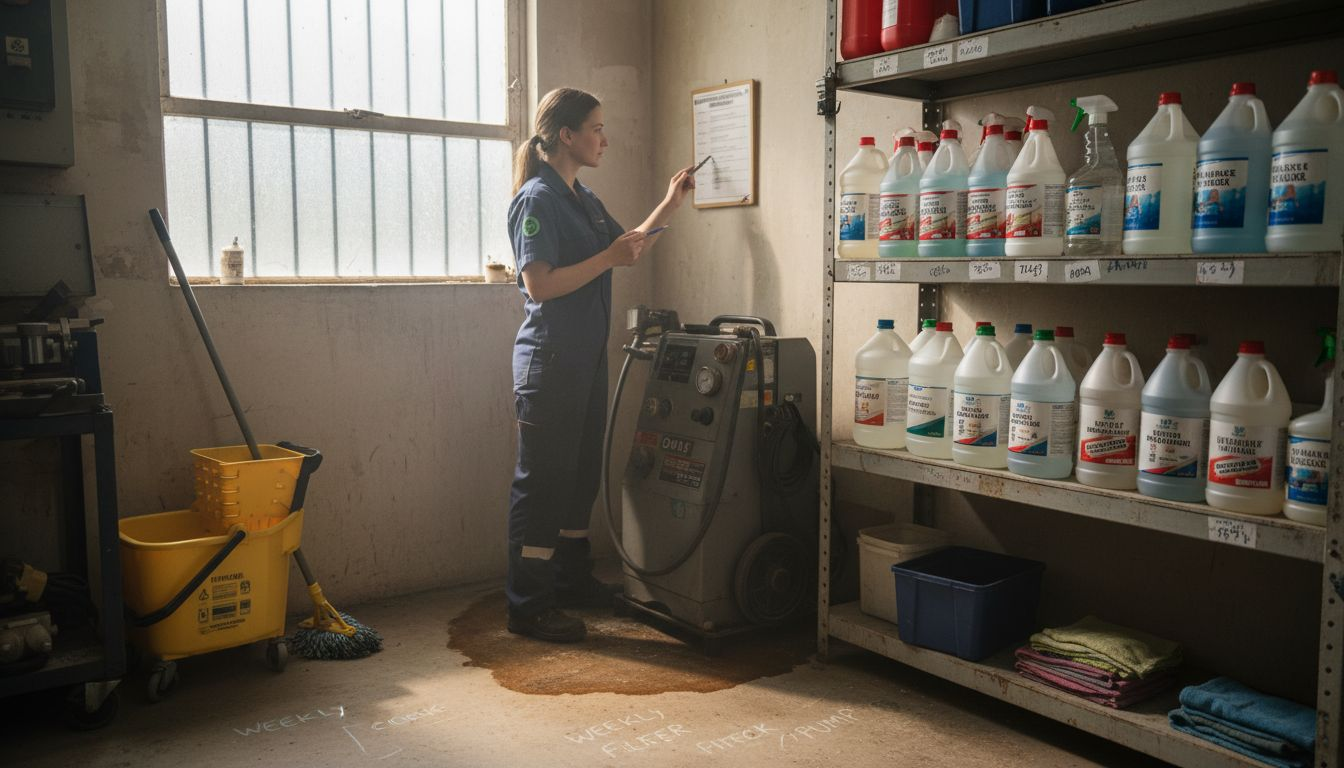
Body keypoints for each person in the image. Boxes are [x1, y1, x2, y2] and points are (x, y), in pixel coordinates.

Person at [506, 87, 695, 643]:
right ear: (566, 135)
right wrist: (609, 258)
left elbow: (628, 247)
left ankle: (568, 579)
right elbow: (538, 285)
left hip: (585, 359)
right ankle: (528, 604)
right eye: (595, 128)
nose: (604, 139)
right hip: (551, 361)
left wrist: (670, 202)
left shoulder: (582, 198)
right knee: (542, 483)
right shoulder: (537, 198)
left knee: (582, 474)